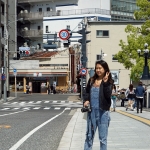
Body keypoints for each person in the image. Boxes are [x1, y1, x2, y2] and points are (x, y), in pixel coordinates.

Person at [83, 60, 113, 150]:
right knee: (89, 137)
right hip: (91, 112)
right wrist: (86, 100)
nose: (98, 70)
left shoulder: (109, 82)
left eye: (100, 68)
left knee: (103, 139)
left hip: (103, 113)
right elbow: (86, 92)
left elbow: (108, 95)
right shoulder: (91, 80)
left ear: (105, 69)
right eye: (96, 68)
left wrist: (106, 82)